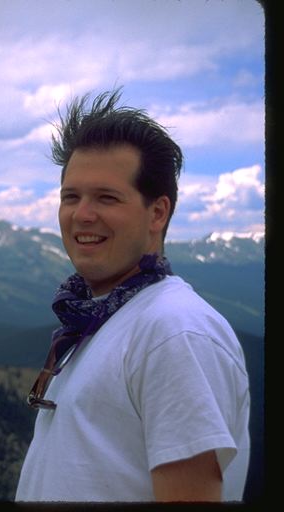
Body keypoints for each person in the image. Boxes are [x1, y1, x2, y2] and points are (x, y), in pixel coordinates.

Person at [14, 89, 250, 502]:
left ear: (157, 213)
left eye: (106, 197)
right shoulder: (101, 321)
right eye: (71, 196)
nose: (82, 214)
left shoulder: (174, 333)